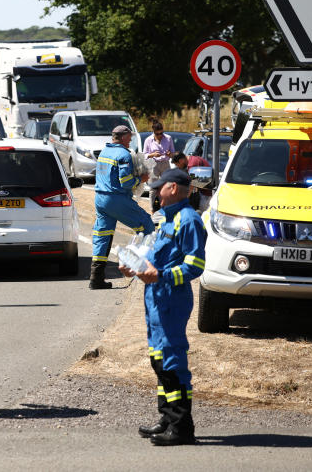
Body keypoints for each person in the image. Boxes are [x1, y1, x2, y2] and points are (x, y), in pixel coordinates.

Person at [118, 168, 206, 446]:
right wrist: (133, 266)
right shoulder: (165, 220)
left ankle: (181, 427)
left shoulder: (188, 220)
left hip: (171, 298)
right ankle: (167, 418)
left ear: (174, 189)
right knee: (159, 360)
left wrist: (162, 276)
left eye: (159, 187)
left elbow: (195, 266)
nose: (155, 191)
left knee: (172, 362)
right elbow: (153, 256)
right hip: (155, 298)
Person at [91, 125, 155, 289]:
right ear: (124, 137)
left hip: (100, 199)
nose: (131, 139)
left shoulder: (104, 152)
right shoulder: (124, 155)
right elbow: (125, 182)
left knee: (102, 236)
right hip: (116, 199)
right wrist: (141, 179)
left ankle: (96, 279)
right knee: (146, 225)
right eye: (130, 136)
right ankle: (140, 268)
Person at [143, 121, 173, 212]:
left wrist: (170, 154)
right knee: (153, 188)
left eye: (161, 133)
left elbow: (173, 153)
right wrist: (153, 155)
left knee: (168, 186)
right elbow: (144, 154)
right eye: (157, 133)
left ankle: (166, 207)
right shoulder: (148, 140)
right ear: (153, 131)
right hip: (154, 164)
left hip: (165, 163)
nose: (160, 135)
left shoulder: (168, 138)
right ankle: (153, 210)